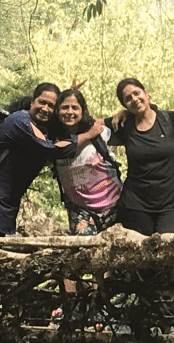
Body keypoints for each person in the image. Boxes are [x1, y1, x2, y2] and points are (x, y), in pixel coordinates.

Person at [0, 82, 97, 255]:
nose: (45, 109)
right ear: (32, 101)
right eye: (42, 102)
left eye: (51, 106)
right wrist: (88, 134)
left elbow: (59, 135)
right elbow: (53, 149)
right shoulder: (20, 121)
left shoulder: (43, 128)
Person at [106, 78, 174, 236]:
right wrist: (71, 96)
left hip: (171, 205)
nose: (134, 99)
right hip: (135, 205)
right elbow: (90, 125)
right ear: (124, 106)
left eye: (137, 93)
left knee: (169, 251)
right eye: (128, 99)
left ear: (146, 94)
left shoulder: (169, 120)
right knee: (137, 256)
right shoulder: (124, 124)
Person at [50, 87, 122, 236]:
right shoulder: (51, 140)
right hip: (80, 212)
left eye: (75, 108)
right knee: (84, 251)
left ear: (83, 111)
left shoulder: (99, 133)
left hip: (115, 206)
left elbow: (130, 130)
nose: (70, 112)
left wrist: (124, 112)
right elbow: (59, 149)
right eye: (64, 107)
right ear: (57, 111)